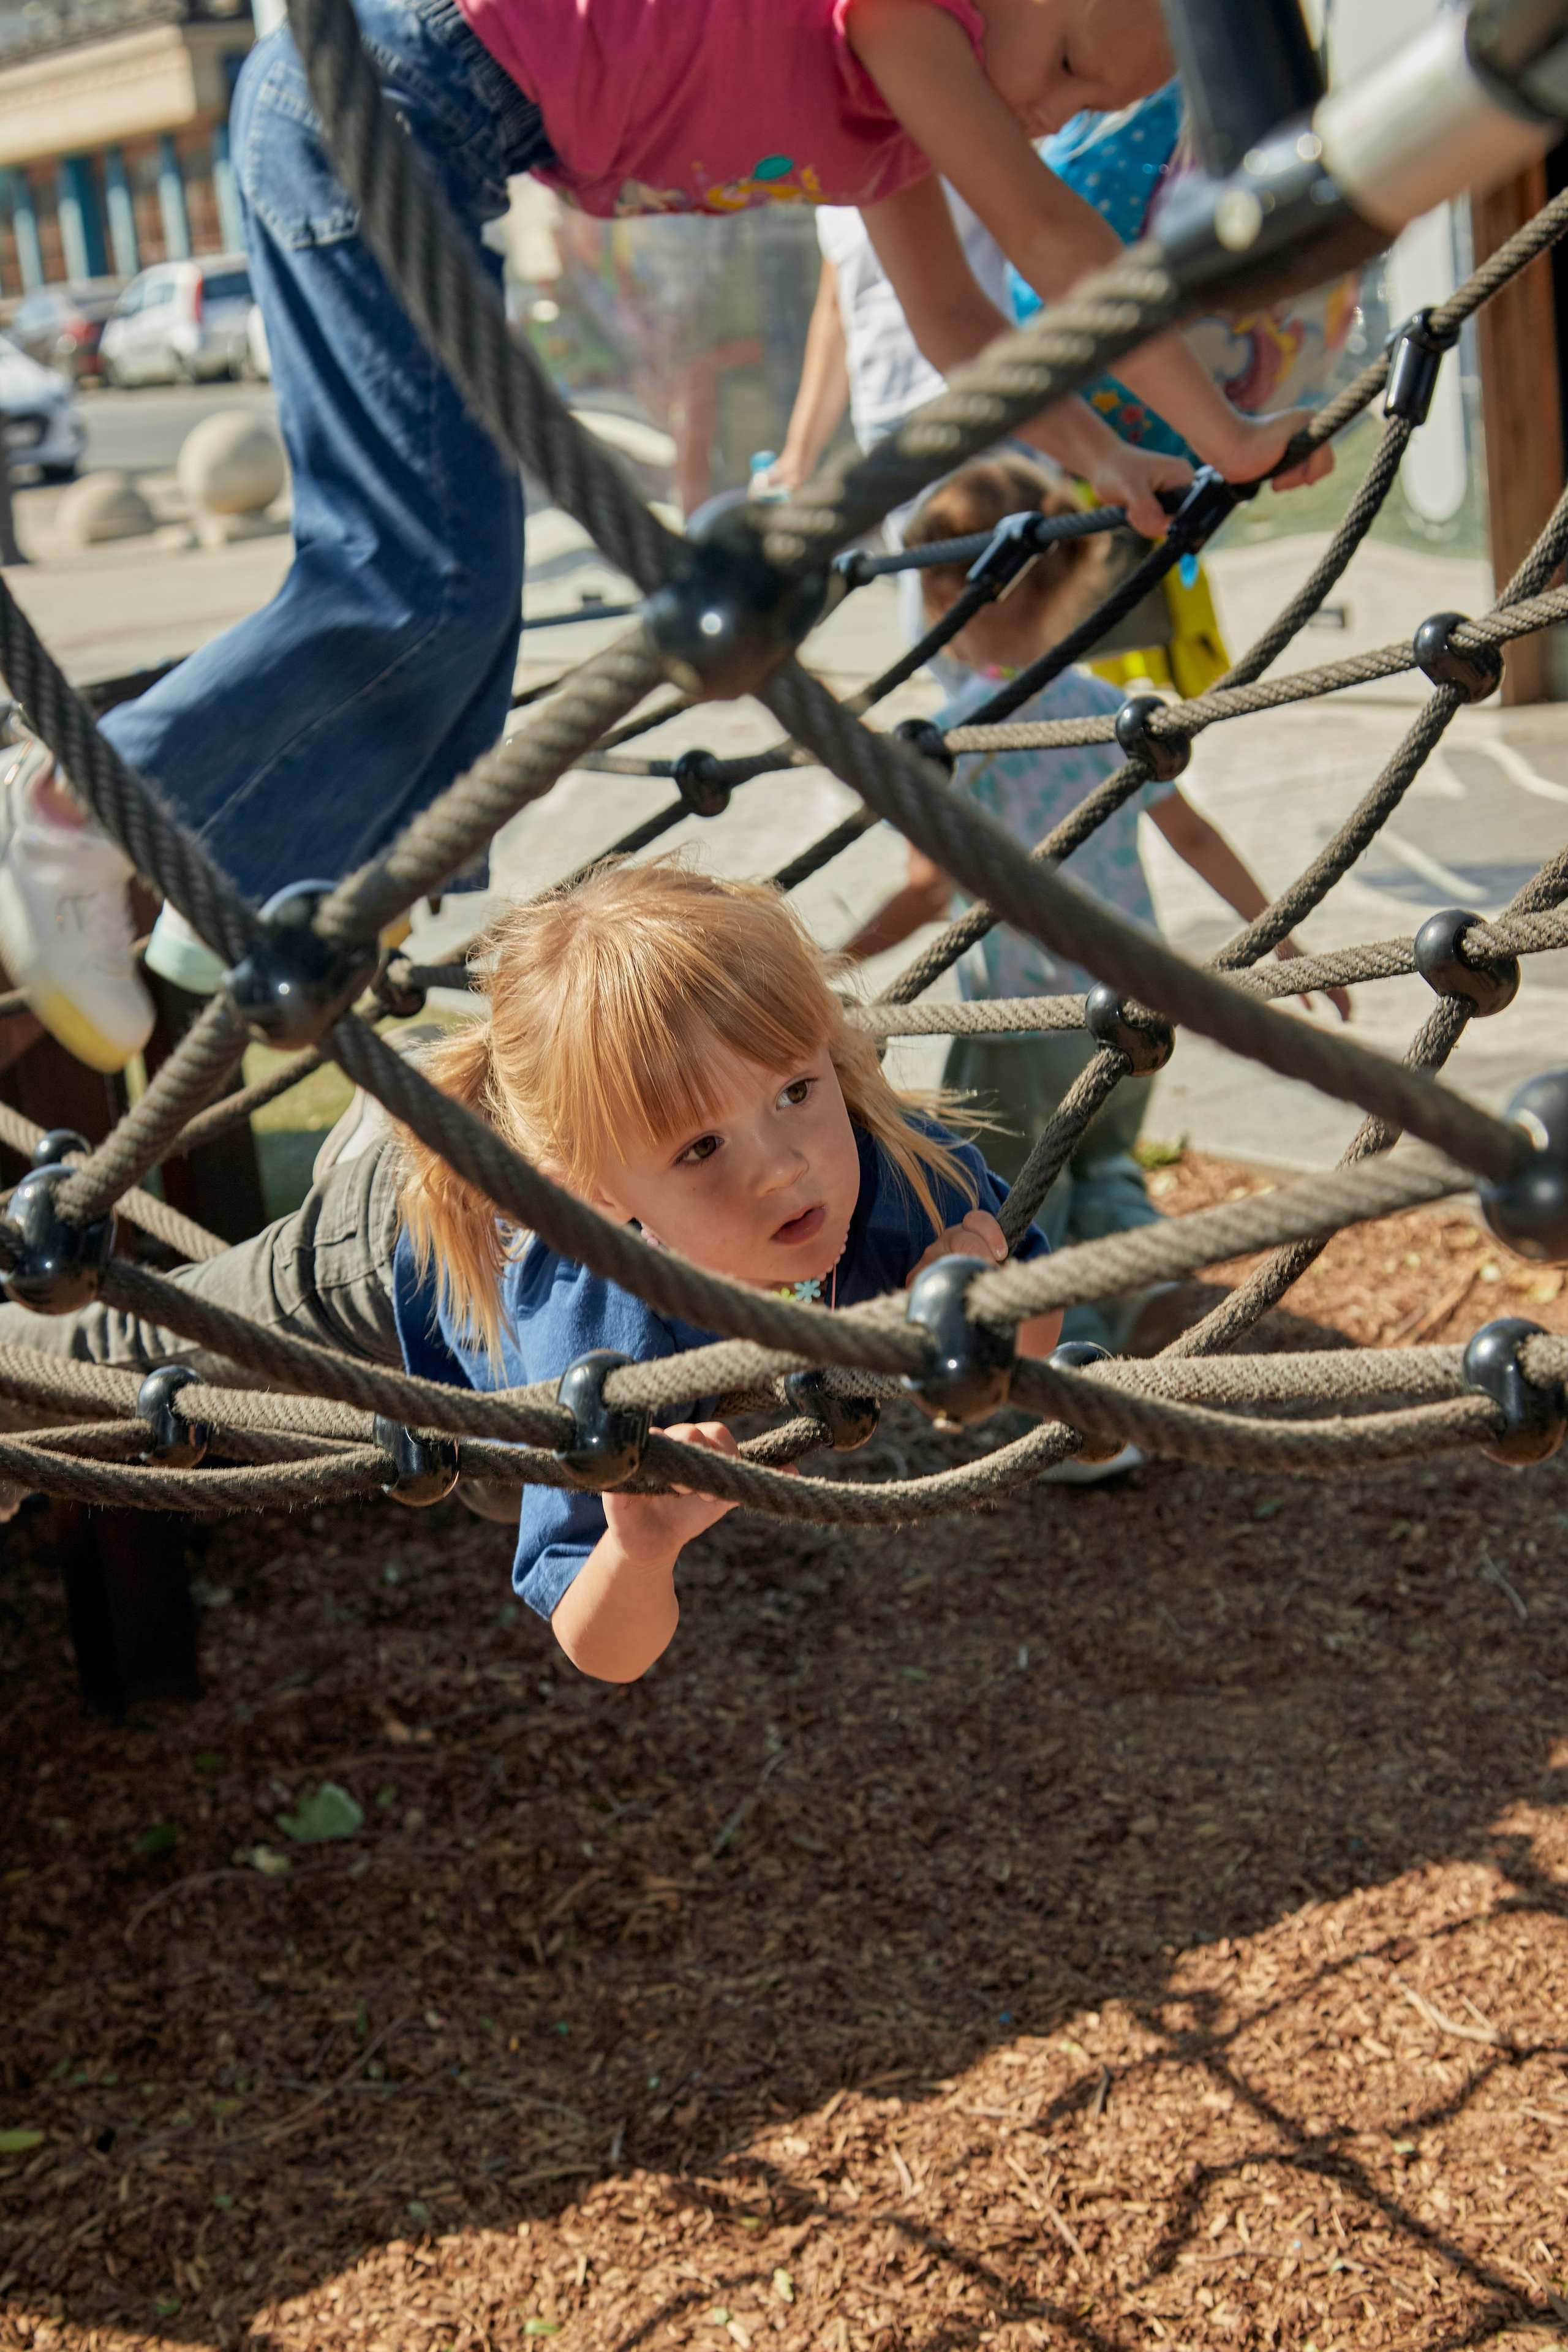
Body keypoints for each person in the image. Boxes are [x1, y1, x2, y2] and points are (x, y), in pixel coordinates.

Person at [0, 0, 1333, 1077]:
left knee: (462, 622)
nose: (1047, 112)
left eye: (1090, 108)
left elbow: (962, 326)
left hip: (420, 136)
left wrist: (1108, 458)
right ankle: (74, 806)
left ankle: (226, 878)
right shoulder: (907, 15)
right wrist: (1226, 432)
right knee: (421, 586)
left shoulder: (893, 129)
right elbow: (1048, 235)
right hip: (382, 96)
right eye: (1060, 63)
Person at [0, 861, 1062, 1682]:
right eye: (700, 1150)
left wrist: (984, 1290)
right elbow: (604, 1647)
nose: (782, 1169)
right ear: (596, 1197)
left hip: (519, 1383)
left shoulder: (893, 1167)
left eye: (794, 1089)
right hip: (388, 1265)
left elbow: (1028, 1355)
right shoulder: (598, 1333)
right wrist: (636, 1553)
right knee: (136, 1365)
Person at [843, 455, 1350, 1351]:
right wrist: (1278, 932)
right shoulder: (1108, 710)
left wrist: (831, 963)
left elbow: (926, 891)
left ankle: (1072, 1380)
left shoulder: (960, 738)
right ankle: (1130, 1276)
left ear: (943, 603)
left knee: (1012, 1201)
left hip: (1026, 1018)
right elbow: (1190, 834)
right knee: (1105, 1159)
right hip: (1130, 1003)